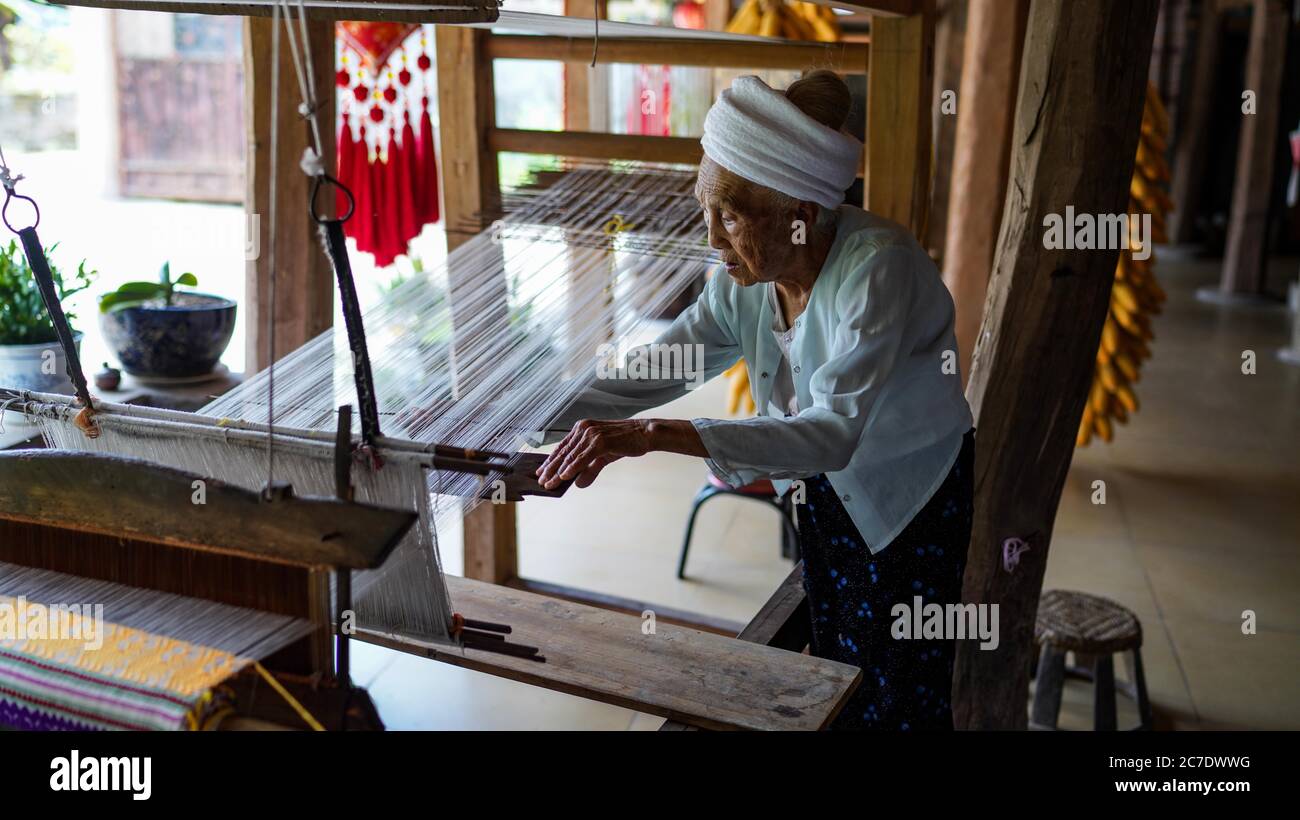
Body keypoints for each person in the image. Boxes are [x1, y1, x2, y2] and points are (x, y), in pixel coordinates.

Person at [535, 70, 975, 730]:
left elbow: (831, 434)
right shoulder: (743, 281)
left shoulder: (876, 269)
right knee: (838, 667)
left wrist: (653, 436)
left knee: (902, 684)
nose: (711, 239)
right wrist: (534, 411)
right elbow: (662, 367)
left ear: (799, 219)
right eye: (704, 210)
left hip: (908, 496)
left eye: (730, 216)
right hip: (828, 490)